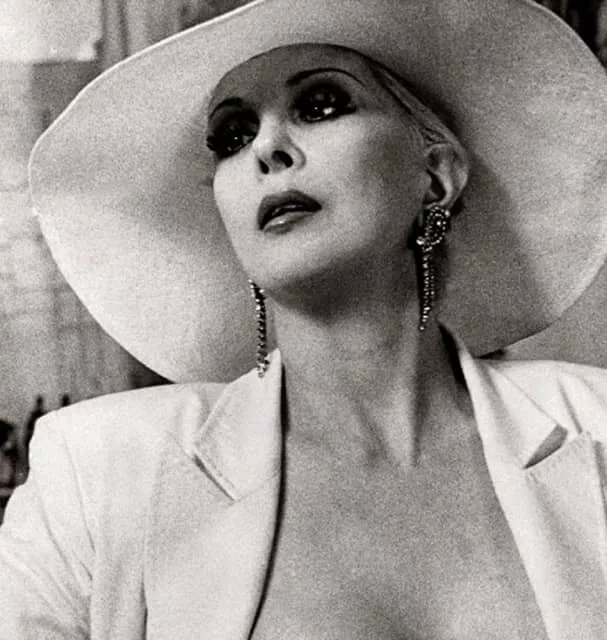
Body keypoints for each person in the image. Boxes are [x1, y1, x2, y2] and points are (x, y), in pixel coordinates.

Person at [2, 0, 607, 637]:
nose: (266, 148)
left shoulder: (597, 432)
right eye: (232, 137)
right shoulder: (99, 471)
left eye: (320, 105)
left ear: (434, 177)